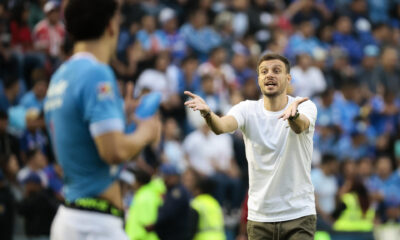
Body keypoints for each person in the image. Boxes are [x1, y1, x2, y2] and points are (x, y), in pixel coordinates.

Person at [44, 0, 161, 239]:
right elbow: (114, 151)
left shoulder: (60, 76)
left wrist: (122, 119)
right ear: (110, 26)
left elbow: (84, 143)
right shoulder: (97, 73)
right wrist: (146, 132)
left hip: (71, 216)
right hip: (95, 224)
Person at [185, 53, 317, 240]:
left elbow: (300, 126)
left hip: (298, 215)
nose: (269, 74)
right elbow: (221, 126)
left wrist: (293, 115)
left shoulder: (303, 105)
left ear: (288, 79)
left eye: (276, 71)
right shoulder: (246, 109)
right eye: (264, 71)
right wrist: (208, 114)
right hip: (260, 217)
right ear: (259, 79)